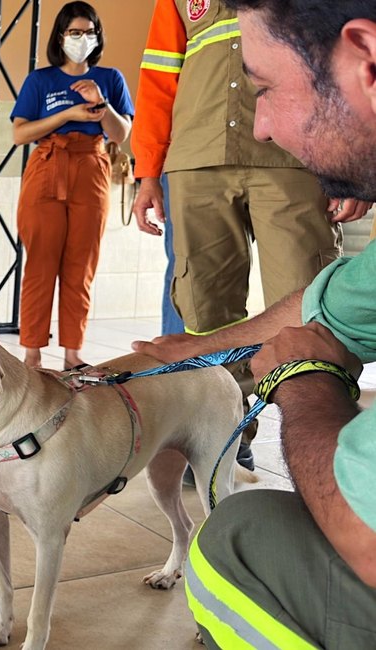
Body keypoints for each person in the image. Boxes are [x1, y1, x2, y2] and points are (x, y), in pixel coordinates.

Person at [133, 1, 376, 645]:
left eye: (265, 87)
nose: (261, 119)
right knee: (209, 306)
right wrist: (146, 168)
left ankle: (308, 454)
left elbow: (368, 534)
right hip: (199, 146)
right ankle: (219, 439)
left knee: (233, 546)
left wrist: (304, 384)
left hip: (293, 166)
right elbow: (161, 71)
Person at [10, 1, 133, 370]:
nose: (82, 39)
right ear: (61, 36)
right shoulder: (41, 80)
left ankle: (73, 354)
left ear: (98, 37)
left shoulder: (110, 78)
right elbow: (19, 134)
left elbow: (122, 133)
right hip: (47, 165)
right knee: (41, 264)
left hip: (92, 166)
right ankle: (32, 352)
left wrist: (102, 103)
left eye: (89, 32)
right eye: (74, 32)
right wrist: (68, 114)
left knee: (81, 265)